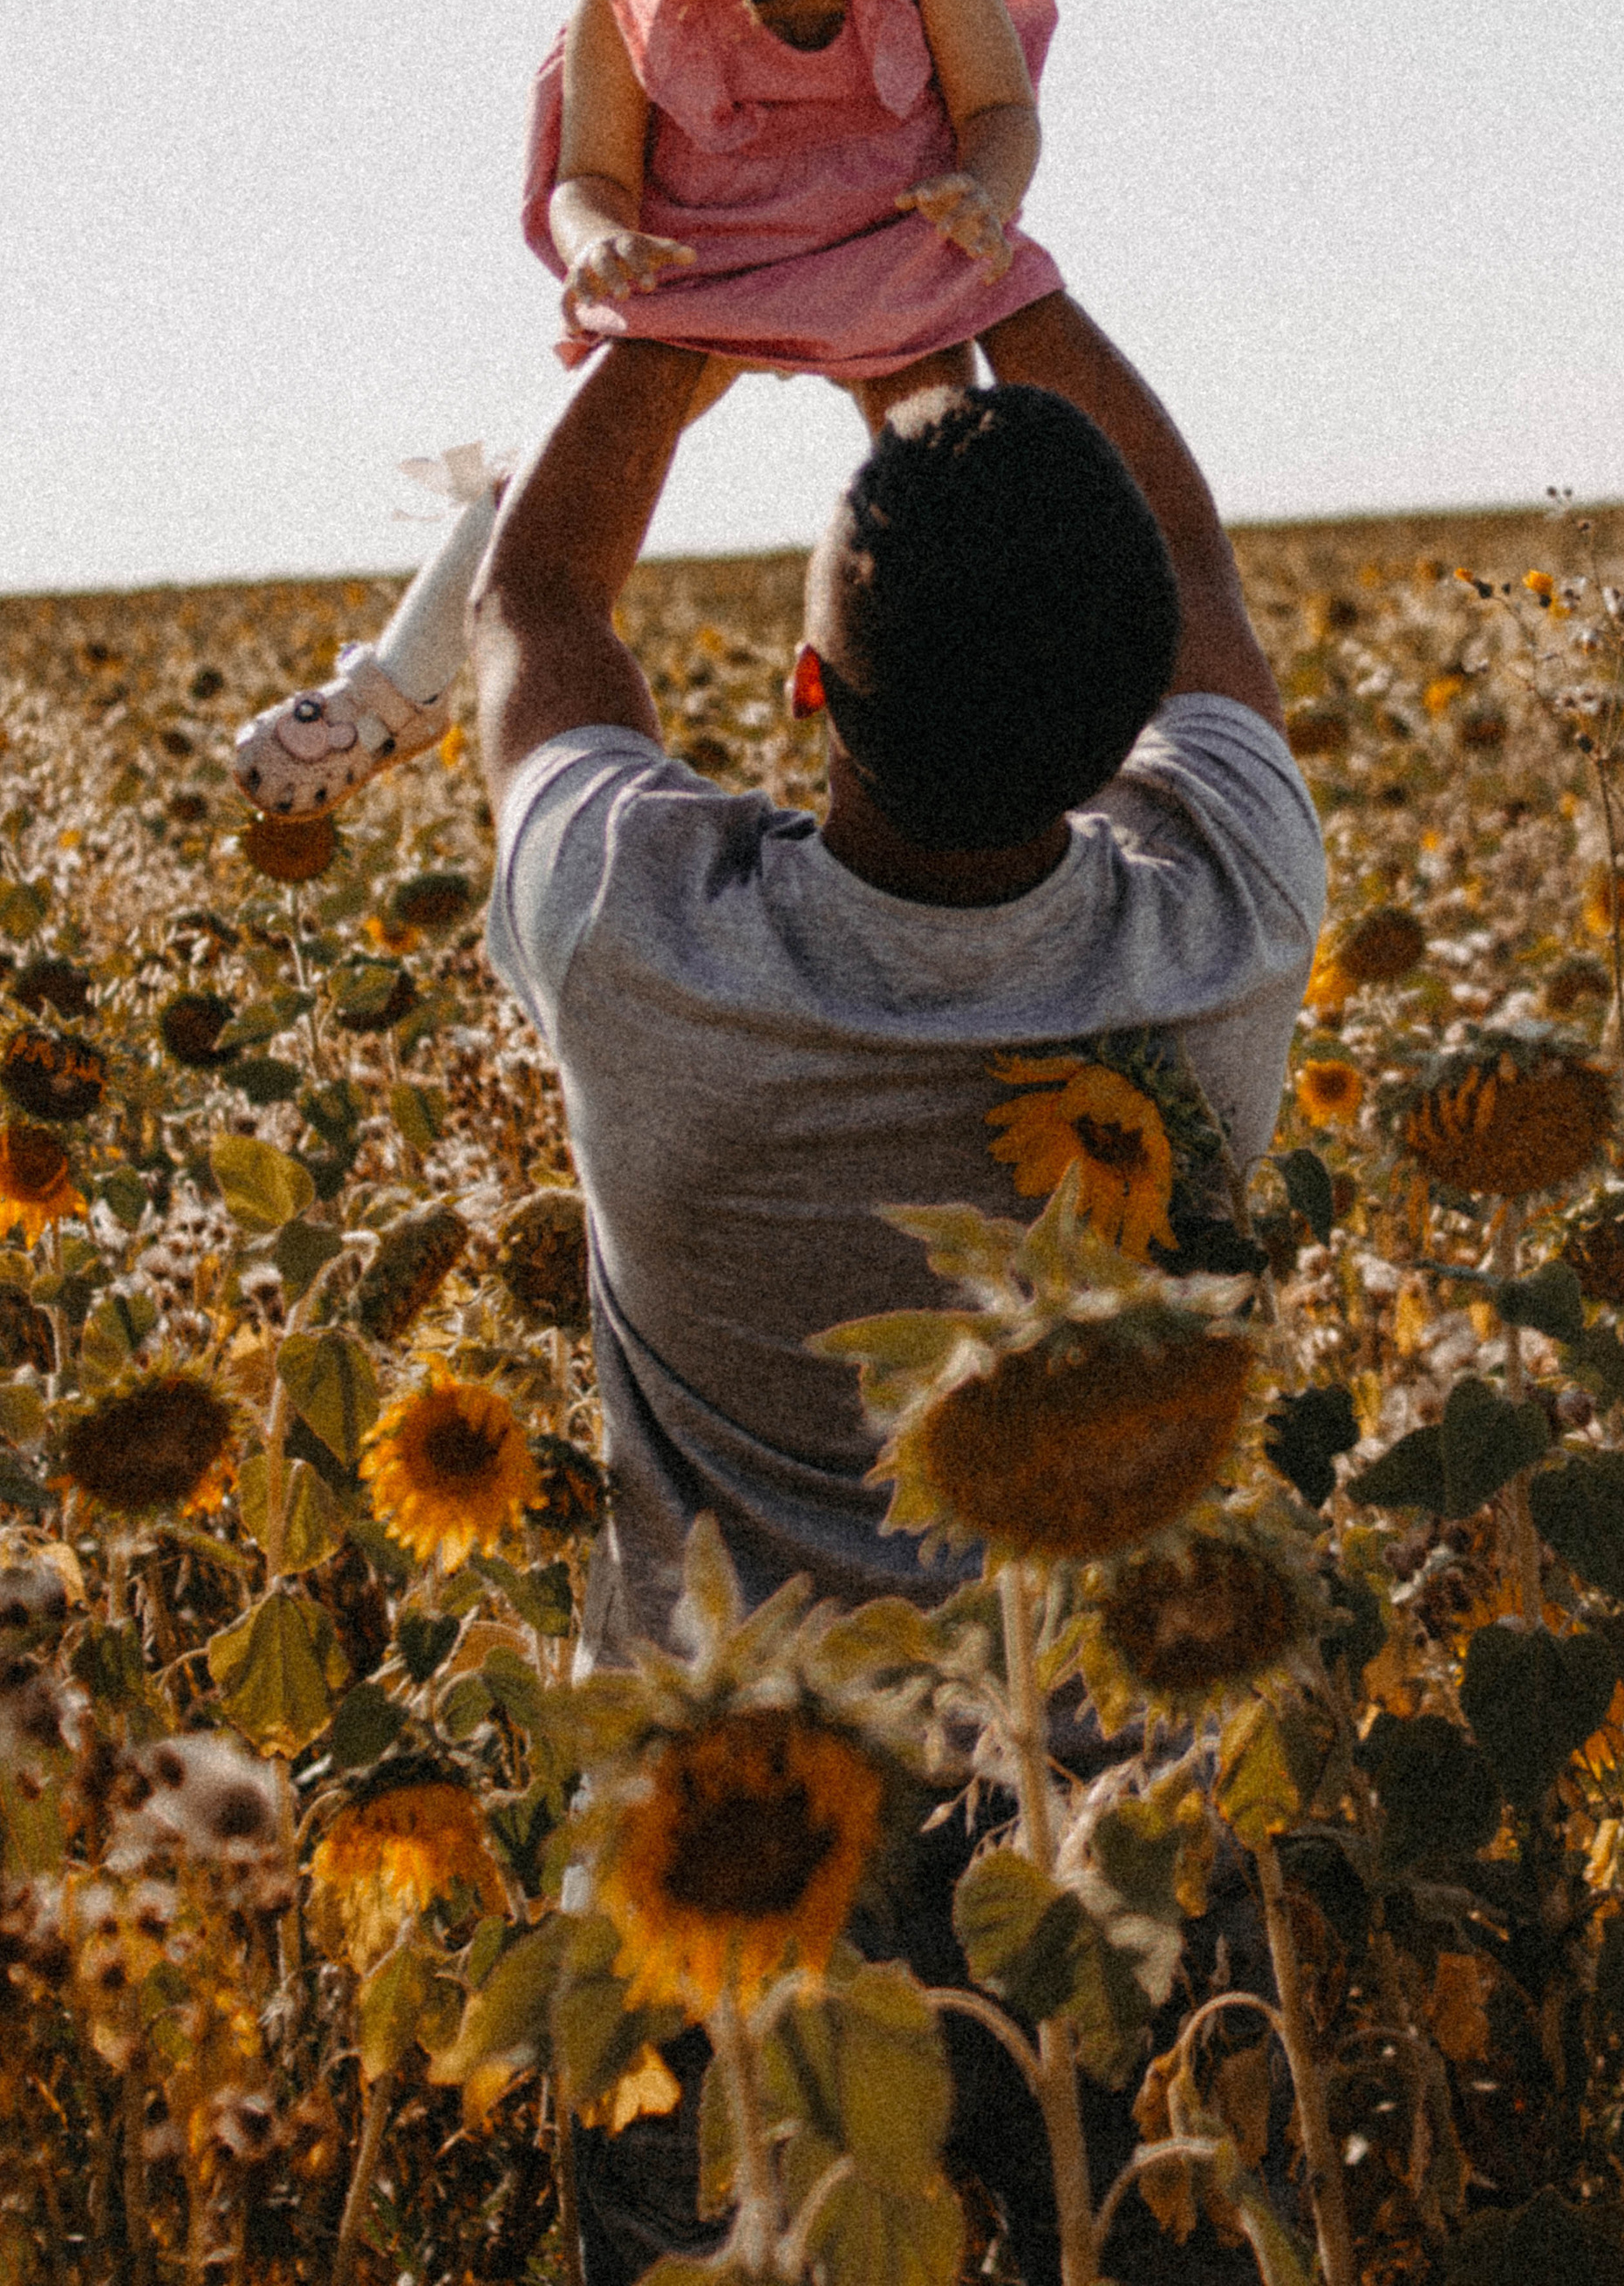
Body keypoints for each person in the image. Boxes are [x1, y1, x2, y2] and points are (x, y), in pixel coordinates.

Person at [466, 300, 1325, 2282]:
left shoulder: (636, 928)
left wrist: (683, 317)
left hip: (734, 1864)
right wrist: (959, 289)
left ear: (800, 690)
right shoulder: (1224, 917)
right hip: (1111, 1842)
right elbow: (1187, 570)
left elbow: (538, 606)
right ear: (1132, 729)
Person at [231, 0, 1064, 816]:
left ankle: (938, 711)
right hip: (701, 257)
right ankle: (394, 687)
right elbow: (590, 174)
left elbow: (1001, 108)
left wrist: (986, 192)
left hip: (892, 243)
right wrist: (595, 243)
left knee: (952, 481)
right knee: (558, 488)